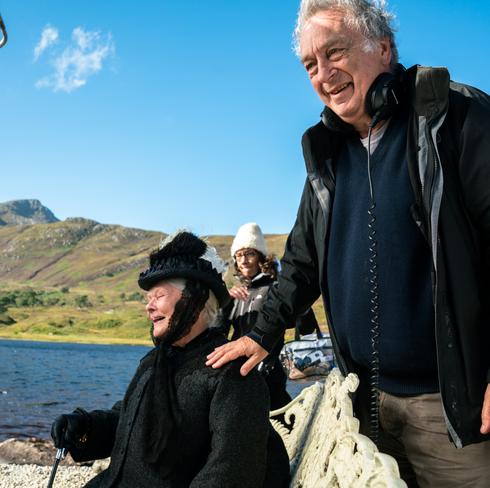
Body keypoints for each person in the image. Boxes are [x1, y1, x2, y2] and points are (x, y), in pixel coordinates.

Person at [206, 1, 490, 486]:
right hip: (362, 401)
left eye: (334, 52)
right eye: (310, 65)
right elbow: (301, 261)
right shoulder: (327, 153)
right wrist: (261, 333)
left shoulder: (454, 116)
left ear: (383, 48)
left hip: (451, 407)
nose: (323, 74)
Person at [51, 231, 289, 487]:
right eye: (148, 298)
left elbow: (230, 472)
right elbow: (129, 420)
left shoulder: (232, 373)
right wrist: (84, 428)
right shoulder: (153, 361)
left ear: (195, 300)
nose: (149, 306)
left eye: (159, 296)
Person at [221, 222, 319, 410]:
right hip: (238, 372)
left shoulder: (275, 290)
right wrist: (226, 303)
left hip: (269, 369)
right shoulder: (236, 293)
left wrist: (300, 304)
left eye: (249, 253)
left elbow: (304, 324)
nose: (244, 260)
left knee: (278, 423)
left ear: (260, 257)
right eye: (239, 255)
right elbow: (221, 332)